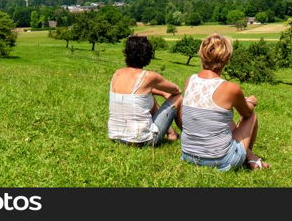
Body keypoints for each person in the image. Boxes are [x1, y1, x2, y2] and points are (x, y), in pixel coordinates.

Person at [180, 34, 269, 171]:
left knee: (223, 117)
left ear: (202, 55)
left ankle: (249, 156)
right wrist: (251, 101)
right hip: (220, 161)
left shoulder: (189, 80)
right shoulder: (231, 88)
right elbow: (247, 113)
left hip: (187, 155)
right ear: (226, 59)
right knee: (252, 116)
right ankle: (247, 158)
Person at [108, 35, 183, 147]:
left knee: (148, 97)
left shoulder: (117, 73)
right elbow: (176, 90)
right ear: (147, 55)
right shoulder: (149, 77)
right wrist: (165, 93)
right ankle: (190, 137)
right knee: (177, 98)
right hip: (142, 140)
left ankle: (171, 133)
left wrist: (160, 92)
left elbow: (140, 92)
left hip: (115, 137)